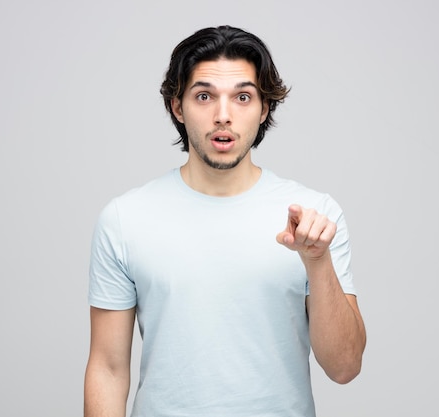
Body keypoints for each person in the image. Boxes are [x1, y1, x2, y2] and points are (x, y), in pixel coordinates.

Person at [84, 25, 366, 417]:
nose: (223, 115)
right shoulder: (124, 219)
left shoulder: (315, 217)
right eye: (204, 96)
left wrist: (317, 263)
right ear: (177, 106)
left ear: (264, 108)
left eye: (243, 97)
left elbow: (345, 366)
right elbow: (109, 368)